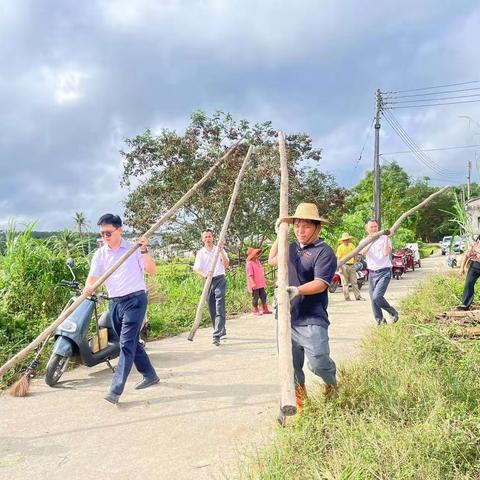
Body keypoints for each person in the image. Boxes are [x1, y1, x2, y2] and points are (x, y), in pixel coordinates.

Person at [83, 214, 159, 405]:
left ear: (120, 230)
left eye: (108, 233)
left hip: (135, 300)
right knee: (130, 340)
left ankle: (115, 389)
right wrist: (89, 287)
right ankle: (150, 375)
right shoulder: (100, 254)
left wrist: (143, 250)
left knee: (126, 342)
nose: (105, 237)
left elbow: (152, 270)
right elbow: (93, 277)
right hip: (115, 303)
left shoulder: (134, 248)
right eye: (102, 234)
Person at [269, 203, 338, 412]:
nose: (300, 231)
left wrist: (296, 290)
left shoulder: (324, 252)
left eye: (306, 227)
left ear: (317, 228)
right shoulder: (289, 248)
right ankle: (302, 405)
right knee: (291, 367)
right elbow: (273, 260)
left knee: (318, 361)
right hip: (287, 318)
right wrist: (280, 234)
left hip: (312, 318)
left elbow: (321, 283)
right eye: (297, 226)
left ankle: (332, 385)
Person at [193, 229, 230, 346]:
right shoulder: (200, 253)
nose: (208, 239)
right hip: (208, 281)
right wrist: (205, 274)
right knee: (212, 307)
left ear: (213, 238)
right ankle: (220, 329)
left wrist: (221, 251)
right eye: (206, 237)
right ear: (202, 239)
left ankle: (216, 335)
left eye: (209, 237)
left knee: (220, 305)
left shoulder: (219, 250)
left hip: (219, 279)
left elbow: (226, 264)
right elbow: (197, 268)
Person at [361, 219, 398, 326]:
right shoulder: (364, 241)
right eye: (371, 227)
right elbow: (363, 252)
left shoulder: (384, 239)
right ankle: (380, 321)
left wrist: (386, 238)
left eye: (376, 227)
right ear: (367, 229)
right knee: (373, 299)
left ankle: (393, 312)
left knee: (377, 296)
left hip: (384, 271)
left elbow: (386, 253)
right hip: (372, 273)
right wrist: (372, 240)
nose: (374, 229)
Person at [335, 232, 365, 302]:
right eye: (345, 239)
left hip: (351, 265)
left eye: (347, 239)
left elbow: (355, 254)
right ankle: (347, 297)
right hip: (343, 265)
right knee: (345, 283)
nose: (346, 241)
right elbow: (338, 258)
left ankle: (358, 296)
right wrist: (340, 268)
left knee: (354, 282)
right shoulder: (340, 247)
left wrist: (355, 261)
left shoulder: (352, 245)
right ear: (342, 240)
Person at [245, 247, 272, 315]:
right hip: (254, 284)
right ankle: (255, 309)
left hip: (260, 283)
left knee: (263, 295)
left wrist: (264, 279)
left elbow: (260, 272)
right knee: (255, 297)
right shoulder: (249, 263)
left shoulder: (257, 261)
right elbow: (250, 275)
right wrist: (252, 283)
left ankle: (265, 308)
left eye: (257, 253)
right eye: (256, 254)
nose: (257, 255)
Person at [458, 236, 480, 310]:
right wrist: (462, 268)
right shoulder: (475, 244)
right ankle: (465, 304)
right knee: (468, 283)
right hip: (474, 265)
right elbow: (466, 256)